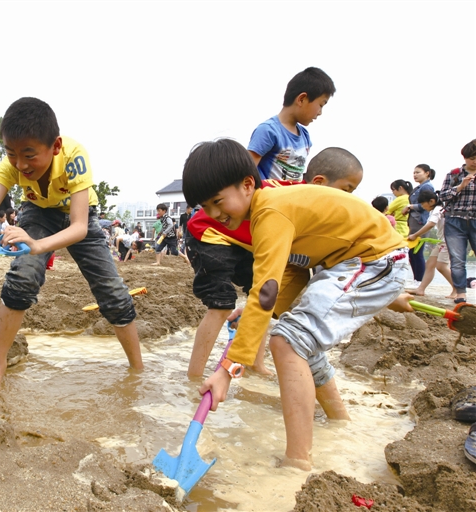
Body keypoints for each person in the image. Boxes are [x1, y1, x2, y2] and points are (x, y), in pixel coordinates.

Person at [182, 139, 409, 471]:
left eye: (218, 201)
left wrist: (227, 372)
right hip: (354, 264)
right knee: (299, 336)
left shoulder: (270, 212)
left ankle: (297, 462)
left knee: (287, 340)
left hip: (371, 260)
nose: (214, 214)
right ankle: (340, 421)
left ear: (247, 185)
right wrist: (261, 312)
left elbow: (264, 290)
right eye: (206, 206)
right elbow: (290, 272)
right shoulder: (267, 211)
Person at [0, 97, 142, 390]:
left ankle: (138, 371)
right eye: (11, 154)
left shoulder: (74, 157)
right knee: (22, 276)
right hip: (37, 213)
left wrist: (37, 245)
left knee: (112, 291)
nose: (20, 165)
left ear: (55, 147)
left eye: (30, 155)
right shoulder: (12, 165)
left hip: (77, 217)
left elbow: (79, 227)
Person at [185, 147, 365, 379]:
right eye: (346, 190)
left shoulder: (299, 205)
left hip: (247, 238)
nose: (347, 199)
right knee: (222, 304)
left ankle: (255, 364)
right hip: (209, 234)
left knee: (273, 290)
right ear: (319, 184)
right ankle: (194, 376)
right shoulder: (285, 205)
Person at [248, 67, 335, 181]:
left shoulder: (305, 136)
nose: (320, 113)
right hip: (271, 196)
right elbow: (247, 171)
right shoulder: (268, 131)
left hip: (293, 197)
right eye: (321, 105)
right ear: (301, 99)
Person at [439, 139, 476, 304]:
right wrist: (460, 186)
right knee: (457, 259)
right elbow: (442, 197)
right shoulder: (454, 175)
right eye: (472, 158)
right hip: (455, 220)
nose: (475, 161)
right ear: (465, 157)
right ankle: (461, 293)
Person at [407, 190, 455, 298]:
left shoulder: (438, 209)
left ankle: (457, 289)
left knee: (441, 266)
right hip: (442, 241)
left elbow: (430, 224)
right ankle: (420, 289)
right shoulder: (440, 208)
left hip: (447, 241)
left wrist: (415, 235)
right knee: (430, 264)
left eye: (423, 204)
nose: (422, 207)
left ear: (431, 201)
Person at [403, 165, 436, 282]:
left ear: (427, 173)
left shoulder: (427, 187)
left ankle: (419, 280)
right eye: (414, 173)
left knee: (416, 252)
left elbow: (426, 205)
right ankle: (417, 279)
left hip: (420, 222)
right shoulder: (420, 187)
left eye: (418, 172)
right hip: (415, 221)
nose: (415, 175)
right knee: (413, 253)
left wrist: (410, 206)